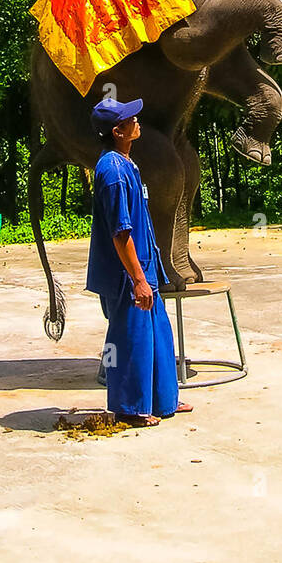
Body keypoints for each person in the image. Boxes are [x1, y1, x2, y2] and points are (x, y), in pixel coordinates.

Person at [87, 97, 192, 428]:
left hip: (145, 266)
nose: (137, 121)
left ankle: (163, 400)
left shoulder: (125, 163)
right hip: (127, 274)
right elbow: (121, 233)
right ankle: (128, 408)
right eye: (130, 119)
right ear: (118, 131)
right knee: (129, 340)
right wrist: (138, 280)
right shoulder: (113, 172)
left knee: (157, 334)